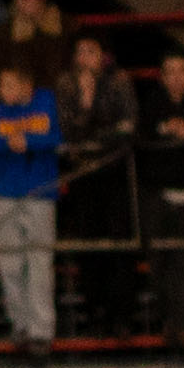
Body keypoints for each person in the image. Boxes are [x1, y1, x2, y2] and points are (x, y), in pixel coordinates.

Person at [131, 46, 184, 347]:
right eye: (170, 72)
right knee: (159, 263)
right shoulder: (152, 104)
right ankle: (168, 321)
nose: (176, 78)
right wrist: (164, 127)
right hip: (155, 196)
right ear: (162, 76)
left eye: (182, 71)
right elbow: (139, 137)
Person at [0, 59, 67, 351]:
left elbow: (59, 135)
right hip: (5, 193)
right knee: (9, 263)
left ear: (26, 85)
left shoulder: (47, 103)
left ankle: (41, 329)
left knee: (39, 262)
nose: (3, 90)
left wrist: (29, 141)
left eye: (9, 85)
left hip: (40, 194)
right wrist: (6, 142)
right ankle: (20, 324)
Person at [54, 34, 136, 338]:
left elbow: (128, 127)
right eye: (81, 51)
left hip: (114, 172)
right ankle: (95, 314)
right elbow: (68, 131)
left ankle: (122, 317)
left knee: (119, 245)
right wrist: (86, 105)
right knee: (90, 248)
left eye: (92, 50)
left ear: (103, 55)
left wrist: (91, 134)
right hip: (83, 175)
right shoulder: (66, 85)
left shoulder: (118, 82)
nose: (86, 57)